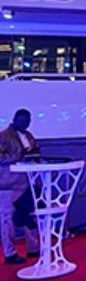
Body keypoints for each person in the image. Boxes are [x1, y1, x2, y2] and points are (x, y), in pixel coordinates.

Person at [0, 109, 40, 265]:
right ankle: (10, 253)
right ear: (15, 119)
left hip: (27, 182)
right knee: (7, 219)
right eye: (22, 121)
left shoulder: (29, 135)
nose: (25, 124)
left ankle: (33, 248)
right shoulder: (3, 136)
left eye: (28, 121)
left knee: (29, 216)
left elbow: (35, 152)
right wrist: (18, 156)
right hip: (8, 184)